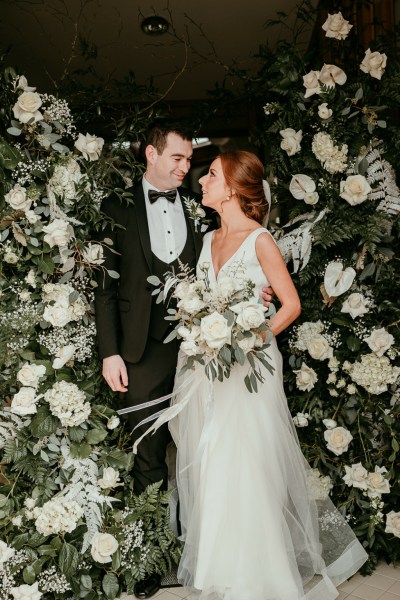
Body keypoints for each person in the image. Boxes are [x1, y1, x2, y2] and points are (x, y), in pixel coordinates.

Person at [161, 151, 368, 599]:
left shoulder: (260, 240)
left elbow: (290, 305)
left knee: (249, 463)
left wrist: (249, 339)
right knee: (215, 460)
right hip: (212, 371)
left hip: (250, 368)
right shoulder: (208, 240)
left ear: (234, 188)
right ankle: (222, 570)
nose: (202, 182)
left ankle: (261, 574)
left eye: (211, 175)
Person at [94, 126, 273, 598]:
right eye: (176, 158)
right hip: (142, 351)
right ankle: (150, 558)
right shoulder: (117, 208)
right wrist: (111, 351)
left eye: (190, 161)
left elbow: (233, 267)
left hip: (204, 352)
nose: (185, 169)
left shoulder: (203, 210)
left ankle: (209, 547)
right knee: (148, 455)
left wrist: (256, 298)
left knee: (211, 449)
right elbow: (105, 287)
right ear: (151, 154)